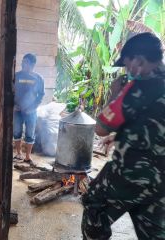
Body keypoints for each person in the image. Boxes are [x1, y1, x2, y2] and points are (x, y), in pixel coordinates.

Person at [81, 32, 165, 239]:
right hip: (161, 179)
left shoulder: (137, 88)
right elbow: (152, 125)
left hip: (130, 174)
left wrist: (115, 93)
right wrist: (122, 137)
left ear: (139, 60)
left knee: (94, 204)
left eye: (127, 64)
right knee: (153, 228)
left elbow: (101, 128)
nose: (127, 70)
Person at [13, 53, 45, 165]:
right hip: (17, 110)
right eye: (23, 61)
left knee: (30, 133)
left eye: (25, 62)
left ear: (32, 64)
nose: (23, 63)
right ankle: (18, 153)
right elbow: (10, 91)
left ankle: (28, 156)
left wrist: (33, 108)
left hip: (31, 111)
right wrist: (13, 105)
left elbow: (41, 95)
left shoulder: (38, 78)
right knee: (16, 132)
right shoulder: (16, 76)